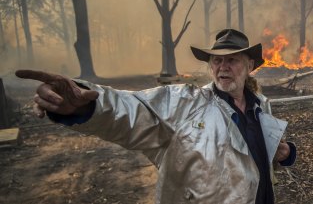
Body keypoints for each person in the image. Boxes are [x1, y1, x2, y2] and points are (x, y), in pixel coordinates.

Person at [16, 28, 296, 204]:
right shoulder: (185, 104)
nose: (223, 66)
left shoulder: (261, 106)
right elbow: (131, 109)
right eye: (216, 60)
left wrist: (284, 153)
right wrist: (84, 104)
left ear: (249, 66)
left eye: (232, 59)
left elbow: (256, 160)